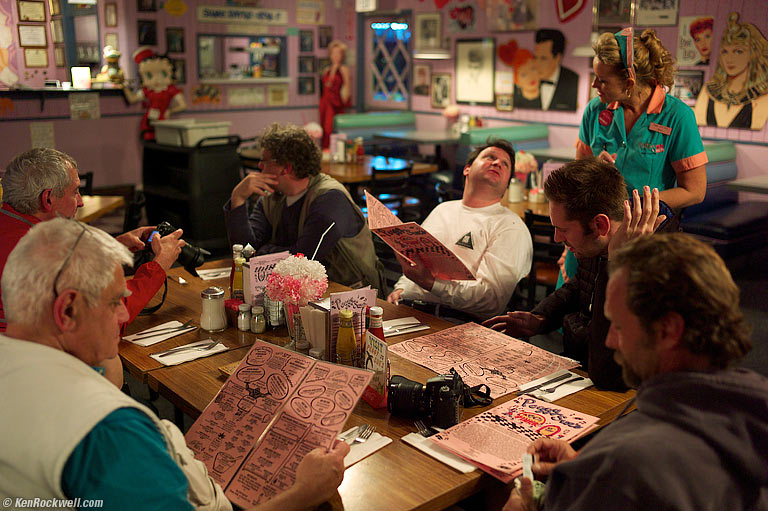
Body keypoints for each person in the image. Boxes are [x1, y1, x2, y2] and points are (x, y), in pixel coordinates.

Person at [0, 218, 351, 510]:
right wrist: (306, 491)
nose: (125, 314)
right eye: (115, 302)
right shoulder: (111, 432)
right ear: (67, 310)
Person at [504, 233, 767, 511]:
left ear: (667, 330)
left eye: (617, 326)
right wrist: (587, 469)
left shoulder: (625, 467)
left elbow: (635, 474)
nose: (609, 341)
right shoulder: (750, 414)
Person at [0, 148, 184, 386]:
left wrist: (114, 247)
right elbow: (108, 319)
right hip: (34, 373)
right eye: (75, 192)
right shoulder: (51, 250)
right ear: (48, 199)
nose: (80, 201)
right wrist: (159, 265)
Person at [484, 158, 666, 390]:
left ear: (600, 225)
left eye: (563, 229)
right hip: (578, 367)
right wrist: (541, 319)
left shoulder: (655, 263)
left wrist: (617, 265)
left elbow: (608, 374)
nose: (557, 239)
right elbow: (580, 286)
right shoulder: (596, 243)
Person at [563, 26, 709, 285]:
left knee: (625, 311)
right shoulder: (595, 111)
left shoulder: (677, 117)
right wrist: (568, 242)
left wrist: (632, 208)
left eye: (603, 80)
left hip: (643, 238)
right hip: (591, 233)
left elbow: (695, 191)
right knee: (572, 306)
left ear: (629, 82)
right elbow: (577, 175)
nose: (595, 85)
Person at [224, 123, 386, 295]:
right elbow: (244, 254)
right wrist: (238, 198)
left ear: (286, 167)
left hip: (353, 297)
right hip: (303, 296)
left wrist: (264, 252)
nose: (259, 166)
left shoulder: (330, 199)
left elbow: (303, 261)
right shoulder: (272, 197)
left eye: (264, 160)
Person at [387, 139, 532, 321]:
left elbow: (491, 301)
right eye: (490, 157)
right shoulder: (443, 209)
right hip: (406, 308)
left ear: (506, 185)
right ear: (467, 169)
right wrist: (401, 288)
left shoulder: (510, 226)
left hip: (455, 320)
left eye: (505, 164)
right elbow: (415, 261)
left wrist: (431, 284)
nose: (497, 163)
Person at [694, 12, 768, 131]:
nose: (729, 59)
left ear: (753, 54)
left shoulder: (762, 95)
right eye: (725, 52)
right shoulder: (708, 91)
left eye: (738, 51)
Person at [122, 47, 187, 141]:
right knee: (149, 144)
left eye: (163, 74)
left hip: (162, 121)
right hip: (148, 121)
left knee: (163, 143)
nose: (156, 80)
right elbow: (133, 99)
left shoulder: (170, 90)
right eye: (149, 75)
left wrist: (170, 111)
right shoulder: (148, 90)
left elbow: (183, 105)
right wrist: (123, 86)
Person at [533, 29, 579, 111]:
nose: (536, 65)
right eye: (535, 57)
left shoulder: (573, 80)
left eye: (543, 59)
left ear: (558, 58)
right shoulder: (526, 78)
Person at [319, 40, 351, 149]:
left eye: (339, 53)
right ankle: (325, 149)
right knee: (325, 128)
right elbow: (325, 86)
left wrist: (345, 102)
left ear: (342, 55)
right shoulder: (327, 70)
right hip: (325, 102)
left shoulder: (343, 69)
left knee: (333, 128)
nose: (336, 56)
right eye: (334, 53)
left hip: (336, 103)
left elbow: (347, 87)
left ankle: (335, 150)